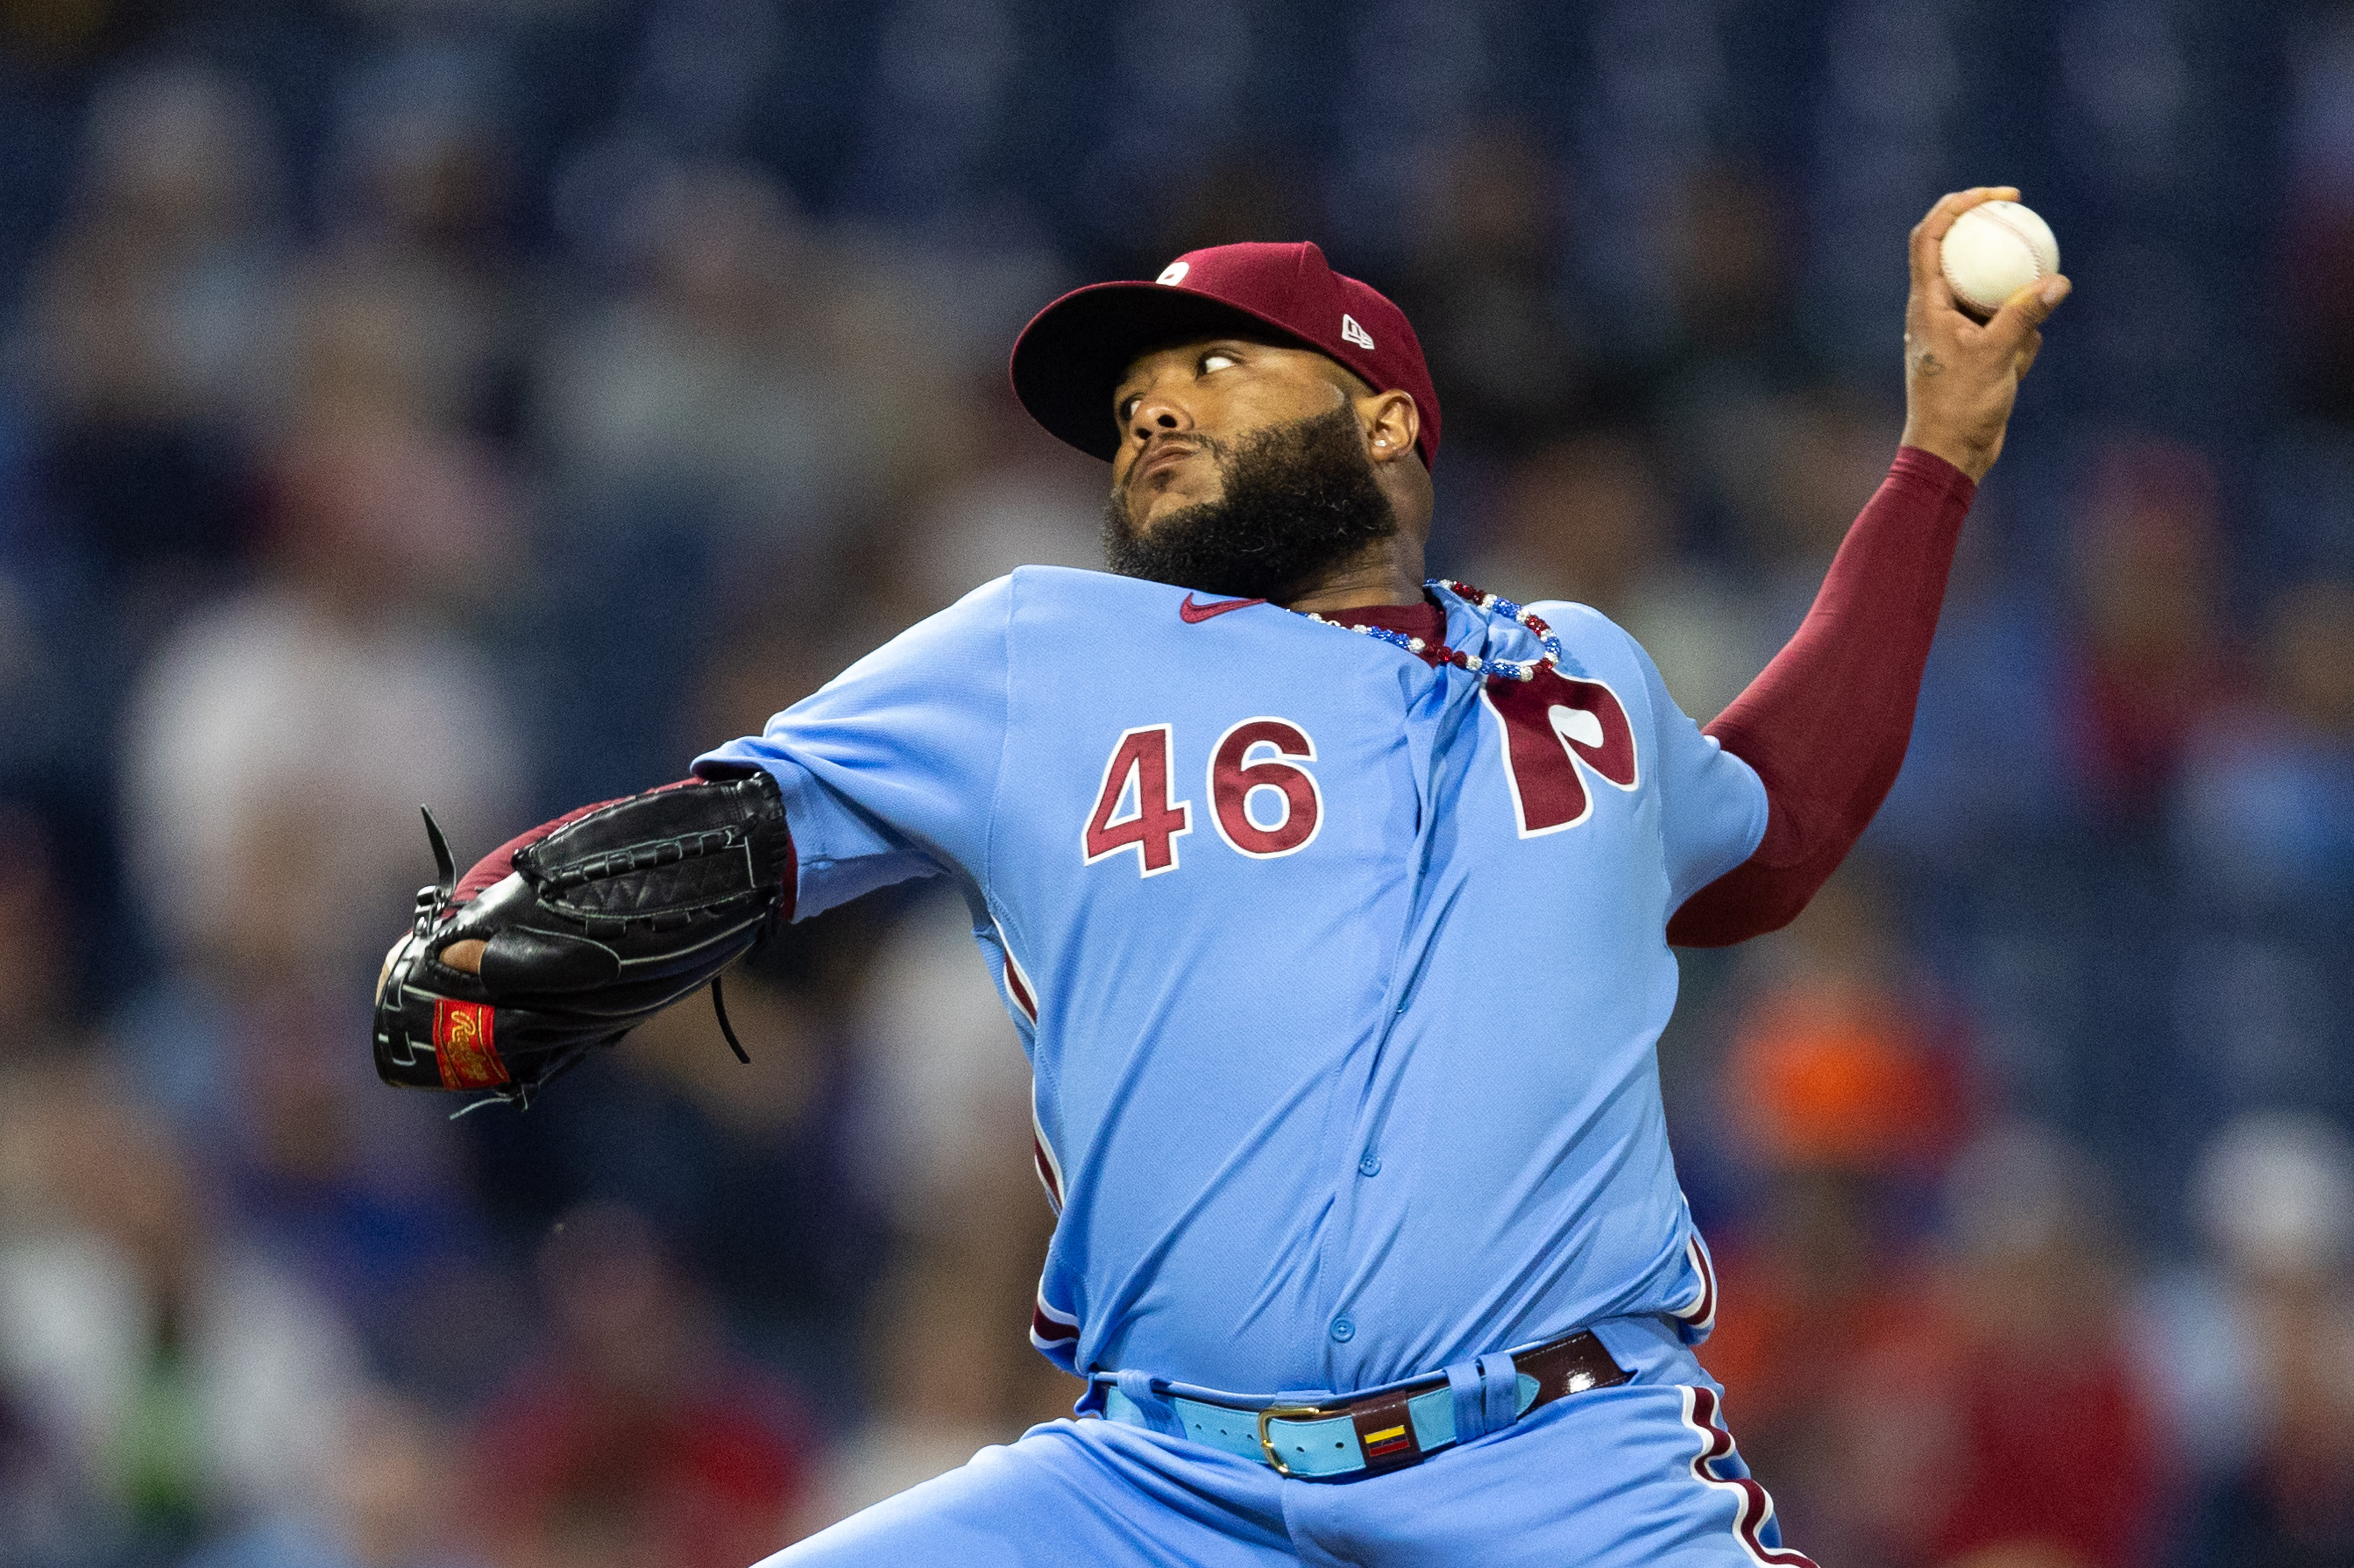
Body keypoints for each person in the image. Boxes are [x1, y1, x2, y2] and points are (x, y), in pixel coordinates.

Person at [377, 188, 2067, 1565]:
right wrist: (503, 943)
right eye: (1127, 409)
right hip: (1152, 1495)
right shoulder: (1039, 649)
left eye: (1211, 366)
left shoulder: (1583, 672)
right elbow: (733, 829)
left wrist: (1934, 465)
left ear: (1387, 421)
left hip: (1566, 1477)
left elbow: (1773, 825)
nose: (1151, 412)